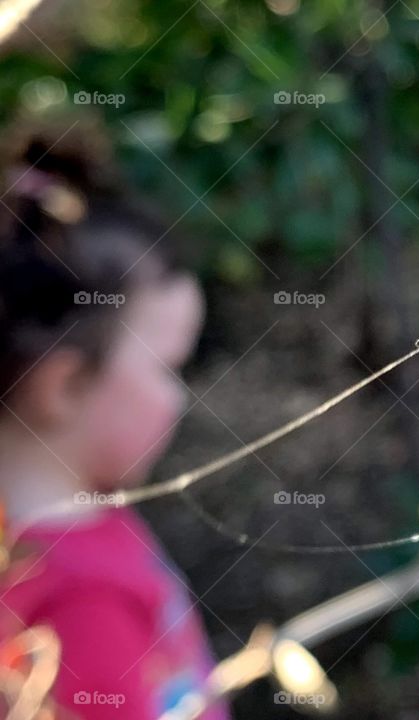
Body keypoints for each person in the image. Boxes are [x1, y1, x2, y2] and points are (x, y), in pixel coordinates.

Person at [0, 117, 229, 719]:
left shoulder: (84, 522)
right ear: (67, 385)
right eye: (169, 367)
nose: (182, 397)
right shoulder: (80, 598)